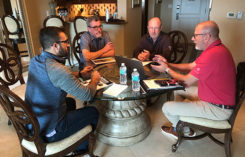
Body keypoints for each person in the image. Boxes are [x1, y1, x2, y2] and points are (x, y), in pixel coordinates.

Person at [151, 21, 236, 139]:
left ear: (206, 37)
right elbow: (190, 66)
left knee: (166, 107)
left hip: (217, 109)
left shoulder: (213, 55)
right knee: (178, 89)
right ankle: (183, 118)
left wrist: (166, 69)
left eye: (195, 35)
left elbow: (186, 81)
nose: (192, 38)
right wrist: (168, 64)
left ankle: (183, 130)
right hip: (214, 98)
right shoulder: (216, 49)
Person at [25, 27, 101, 155]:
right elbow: (87, 95)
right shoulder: (59, 70)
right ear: (55, 45)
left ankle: (72, 131)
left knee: (70, 102)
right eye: (65, 41)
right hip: (47, 131)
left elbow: (54, 79)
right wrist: (94, 80)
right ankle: (80, 148)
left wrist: (80, 74)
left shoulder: (35, 61)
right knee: (93, 112)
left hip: (32, 122)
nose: (68, 44)